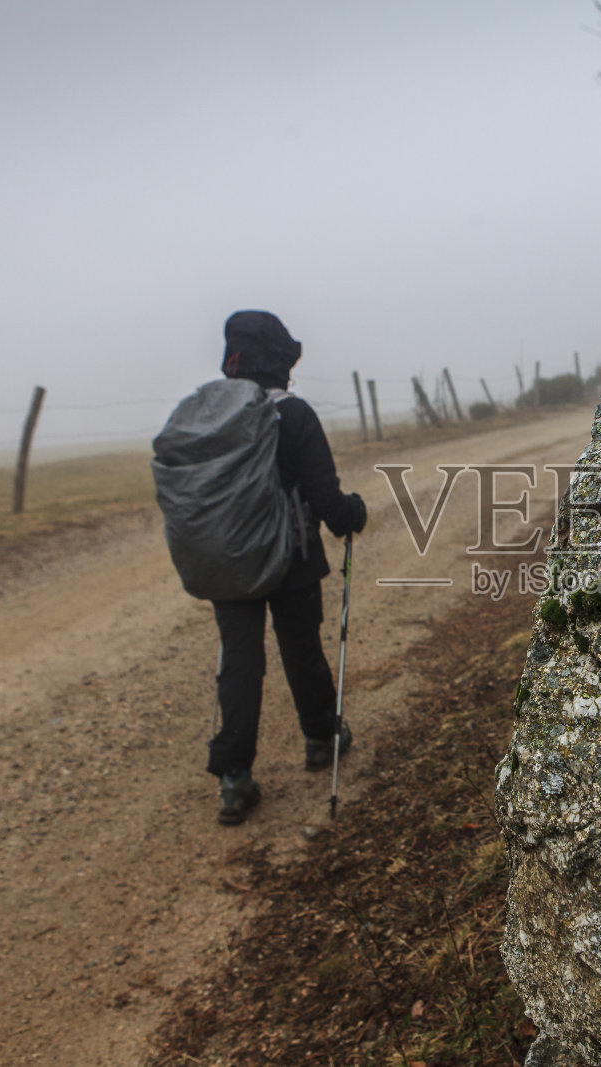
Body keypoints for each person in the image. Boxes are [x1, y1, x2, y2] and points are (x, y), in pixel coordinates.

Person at [209, 309, 368, 826]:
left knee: (240, 661)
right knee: (301, 650)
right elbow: (326, 499)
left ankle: (234, 778)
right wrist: (353, 513)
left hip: (230, 560)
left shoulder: (213, 415)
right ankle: (321, 736)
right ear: (281, 362)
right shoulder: (294, 415)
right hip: (291, 560)